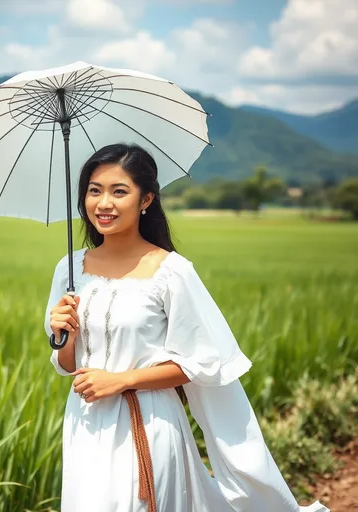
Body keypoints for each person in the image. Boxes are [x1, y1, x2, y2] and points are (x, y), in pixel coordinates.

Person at [44, 143, 329, 512]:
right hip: (85, 423)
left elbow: (200, 364)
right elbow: (67, 364)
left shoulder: (171, 271)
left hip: (148, 423)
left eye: (119, 191)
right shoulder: (69, 269)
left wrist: (122, 380)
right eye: (94, 190)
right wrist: (61, 332)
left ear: (145, 199)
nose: (104, 203)